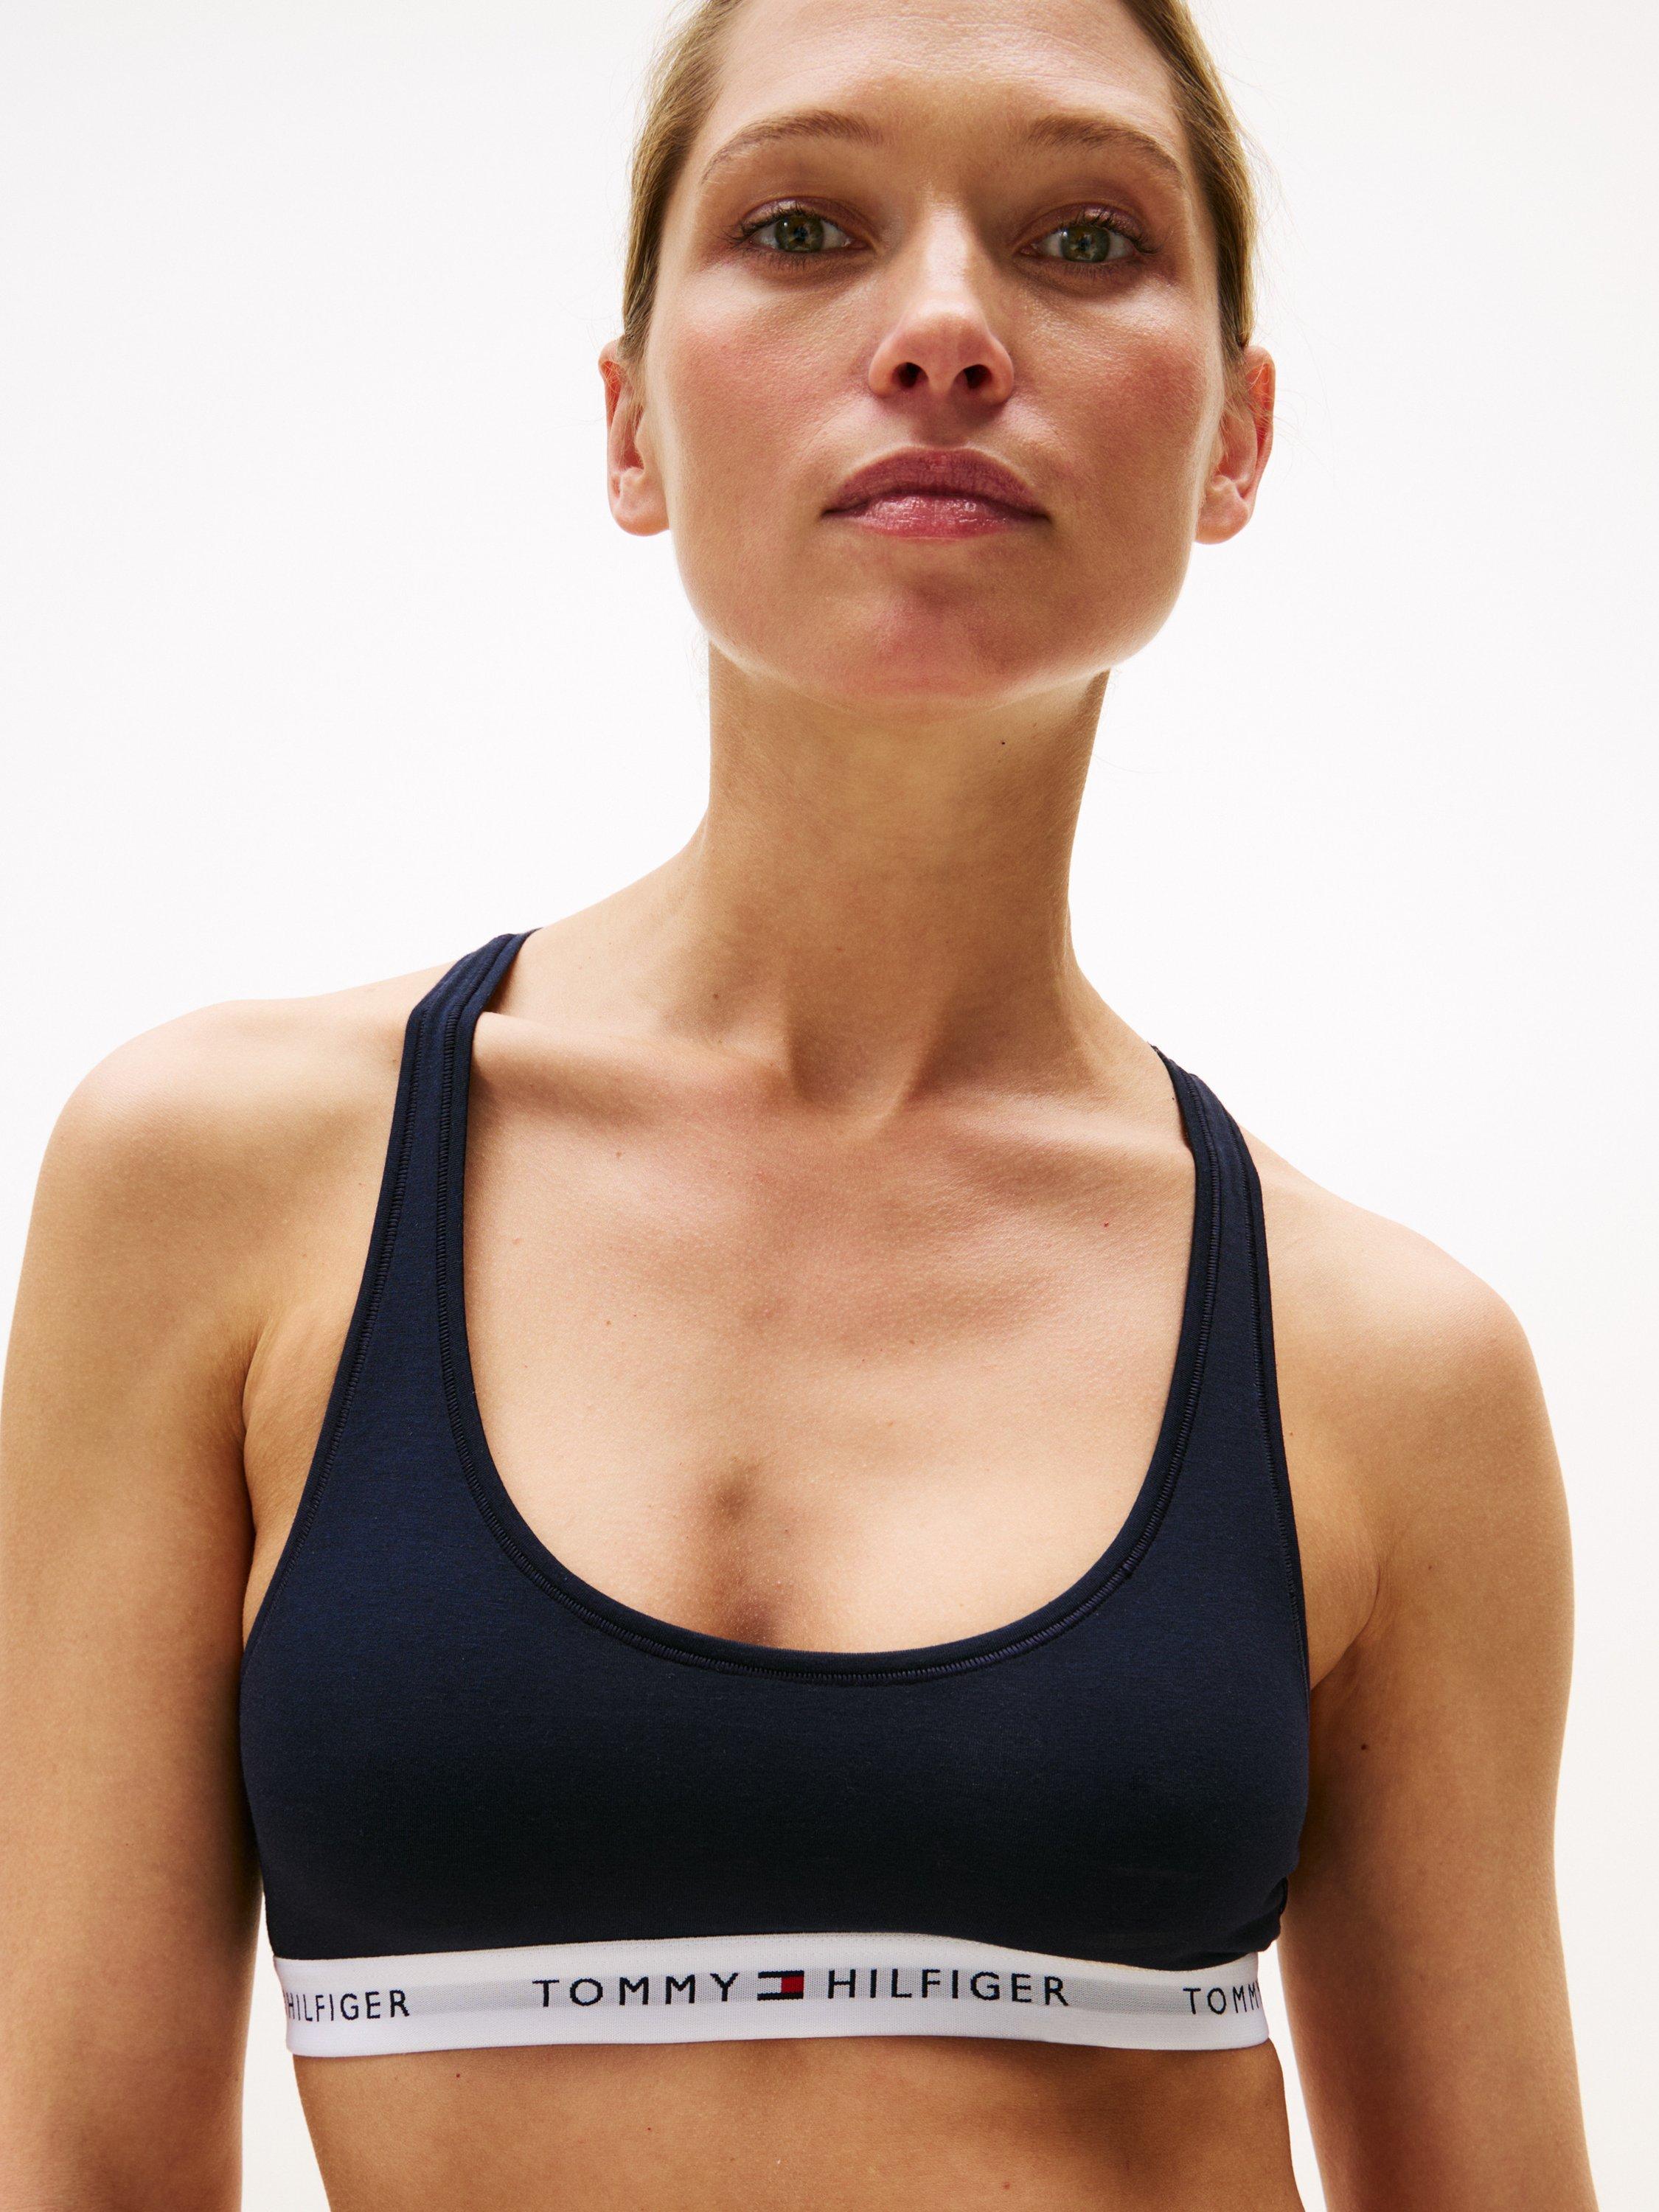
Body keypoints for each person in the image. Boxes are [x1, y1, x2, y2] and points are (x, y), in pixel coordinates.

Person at [0, 0, 1600, 2206]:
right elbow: (76, 2163)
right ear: (629, 421)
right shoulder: (226, 1188)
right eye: (802, 226)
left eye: (1083, 238)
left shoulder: (1391, 1371)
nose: (944, 330)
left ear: (1234, 441)